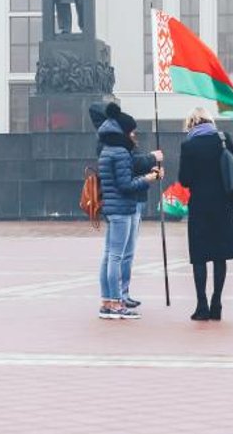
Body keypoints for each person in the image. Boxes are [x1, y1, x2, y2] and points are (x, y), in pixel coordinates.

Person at [177, 107, 233, 321]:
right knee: (219, 256)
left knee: (200, 256)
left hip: (200, 205)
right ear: (210, 121)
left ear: (191, 123)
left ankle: (201, 305)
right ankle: (217, 302)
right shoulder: (224, 139)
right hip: (223, 204)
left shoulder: (189, 145)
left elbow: (185, 179)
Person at [96, 103, 160, 319]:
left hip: (112, 208)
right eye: (131, 130)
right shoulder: (121, 152)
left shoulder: (107, 150)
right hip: (122, 209)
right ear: (123, 131)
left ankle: (107, 300)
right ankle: (116, 304)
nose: (134, 135)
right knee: (116, 256)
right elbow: (125, 186)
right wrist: (147, 179)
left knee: (108, 255)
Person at [122, 132, 163, 309]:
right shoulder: (120, 147)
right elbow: (131, 165)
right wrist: (152, 157)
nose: (134, 133)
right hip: (128, 202)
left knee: (128, 252)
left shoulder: (128, 146)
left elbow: (135, 168)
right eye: (131, 130)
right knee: (122, 252)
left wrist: (151, 172)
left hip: (137, 200)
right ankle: (119, 294)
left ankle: (123, 292)